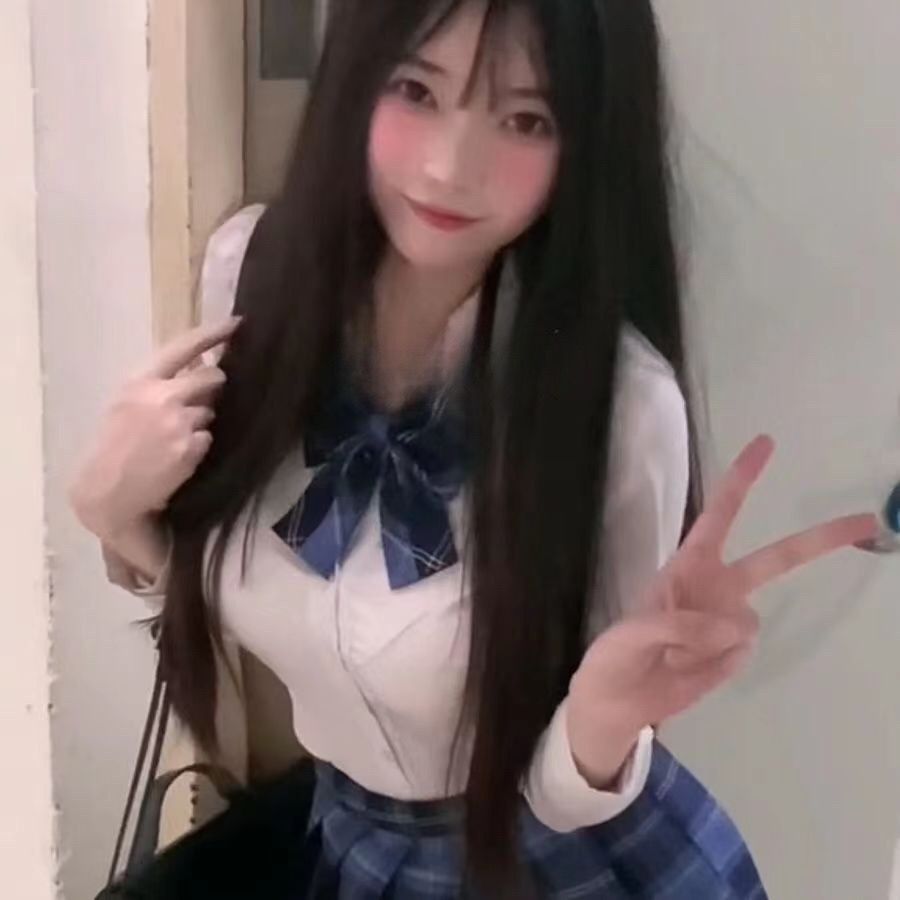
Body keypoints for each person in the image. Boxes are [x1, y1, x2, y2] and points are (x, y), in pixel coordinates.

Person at [69, 1, 878, 897]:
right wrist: (114, 515)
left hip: (556, 867)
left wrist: (601, 724)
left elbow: (565, 786)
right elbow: (239, 590)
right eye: (417, 90)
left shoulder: (619, 407)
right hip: (348, 845)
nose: (451, 167)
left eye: (525, 119)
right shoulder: (249, 279)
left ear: (584, 143)